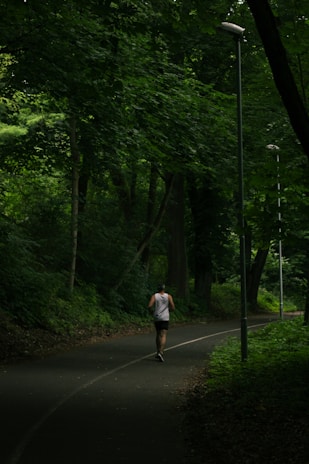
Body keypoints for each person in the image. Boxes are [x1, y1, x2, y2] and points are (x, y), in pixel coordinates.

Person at [148, 284, 175, 362]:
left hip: (157, 317)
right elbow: (173, 307)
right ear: (164, 289)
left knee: (158, 333)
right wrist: (169, 311)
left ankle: (157, 351)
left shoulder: (155, 296)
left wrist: (152, 311)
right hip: (165, 317)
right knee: (163, 334)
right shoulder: (168, 296)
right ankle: (161, 352)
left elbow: (149, 306)